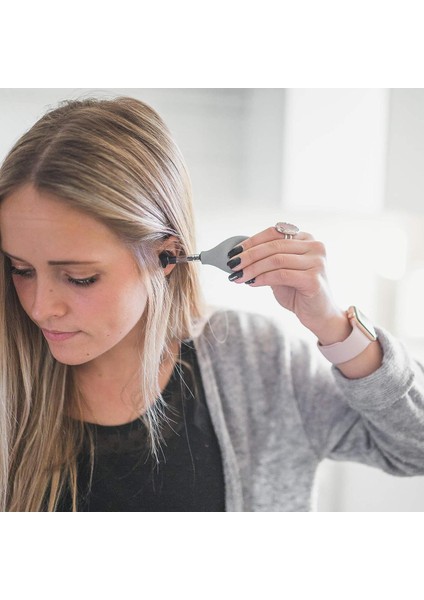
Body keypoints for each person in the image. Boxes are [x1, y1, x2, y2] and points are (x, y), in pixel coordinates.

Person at [0, 96, 423, 512]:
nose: (39, 308)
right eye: (21, 269)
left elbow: (414, 449)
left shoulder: (257, 362)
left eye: (79, 278)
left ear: (166, 256)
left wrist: (335, 326)